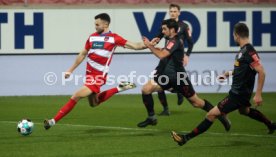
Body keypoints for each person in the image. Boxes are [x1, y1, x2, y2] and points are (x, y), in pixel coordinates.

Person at [171, 23, 276, 146]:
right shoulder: (243, 51)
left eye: (233, 35)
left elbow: (261, 72)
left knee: (211, 114)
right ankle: (271, 124)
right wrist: (228, 74)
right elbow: (244, 70)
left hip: (237, 94)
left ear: (237, 35)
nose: (233, 38)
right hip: (241, 93)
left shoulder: (249, 51)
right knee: (244, 111)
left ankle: (185, 138)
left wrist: (258, 95)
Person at [44, 13, 147, 130]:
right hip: (88, 76)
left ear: (106, 24)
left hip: (98, 77)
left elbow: (135, 45)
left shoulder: (114, 38)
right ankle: (120, 88)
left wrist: (148, 44)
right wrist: (70, 70)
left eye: (97, 24)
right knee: (94, 103)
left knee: (76, 96)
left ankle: (53, 121)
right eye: (95, 24)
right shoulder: (92, 37)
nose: (95, 26)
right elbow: (83, 53)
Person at [137, 19, 231, 132]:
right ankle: (151, 117)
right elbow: (163, 51)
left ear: (172, 30)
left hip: (179, 78)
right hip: (167, 77)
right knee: (146, 89)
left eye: (164, 29)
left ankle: (221, 114)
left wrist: (149, 45)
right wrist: (153, 46)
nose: (162, 31)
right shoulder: (170, 40)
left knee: (196, 103)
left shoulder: (175, 40)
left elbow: (162, 55)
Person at [152, 4, 194, 116]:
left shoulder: (184, 26)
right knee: (157, 79)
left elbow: (190, 42)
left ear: (179, 13)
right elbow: (159, 35)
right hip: (166, 56)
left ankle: (179, 91)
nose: (173, 13)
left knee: (174, 79)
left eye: (175, 11)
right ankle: (166, 108)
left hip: (175, 58)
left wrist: (187, 55)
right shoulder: (166, 24)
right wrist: (154, 41)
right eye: (171, 11)